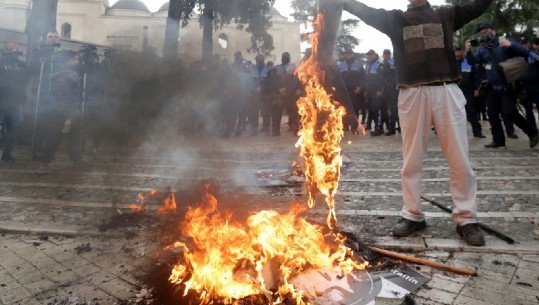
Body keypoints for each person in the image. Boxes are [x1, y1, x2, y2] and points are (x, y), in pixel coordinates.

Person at [342, 0, 495, 246]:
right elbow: (365, 12)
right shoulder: (395, 19)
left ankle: (466, 218)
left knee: (460, 160)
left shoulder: (447, 15)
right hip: (412, 93)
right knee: (411, 159)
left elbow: (478, 6)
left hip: (446, 90)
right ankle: (412, 215)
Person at [465, 23, 538, 149]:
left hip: (508, 85)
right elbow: (472, 62)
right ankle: (498, 140)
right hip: (491, 87)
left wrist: (512, 45)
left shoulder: (504, 41)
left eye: (487, 31)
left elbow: (524, 53)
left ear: (494, 31)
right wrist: (468, 51)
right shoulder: (482, 49)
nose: (484, 34)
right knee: (492, 114)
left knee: (509, 112)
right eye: (482, 32)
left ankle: (533, 133)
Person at [0, 42, 29, 161]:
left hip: (16, 100)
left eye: (14, 51)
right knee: (1, 126)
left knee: (15, 126)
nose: (12, 54)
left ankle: (7, 153)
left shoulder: (21, 64)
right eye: (9, 51)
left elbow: (27, 76)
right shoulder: (1, 64)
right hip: (2, 99)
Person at [454, 46, 485, 138]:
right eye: (457, 50)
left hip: (468, 90)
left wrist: (476, 89)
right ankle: (457, 133)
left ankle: (477, 132)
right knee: (455, 113)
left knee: (471, 111)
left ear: (463, 52)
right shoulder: (450, 64)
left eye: (460, 50)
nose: (459, 52)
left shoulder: (468, 62)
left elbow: (476, 76)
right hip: (454, 91)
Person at [338, 47, 366, 132]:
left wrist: (360, 87)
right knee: (344, 108)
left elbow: (363, 78)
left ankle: (354, 127)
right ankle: (345, 126)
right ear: (345, 54)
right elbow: (338, 78)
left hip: (355, 90)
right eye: (346, 53)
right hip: (344, 91)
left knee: (355, 109)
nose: (348, 55)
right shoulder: (341, 65)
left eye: (349, 53)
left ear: (352, 54)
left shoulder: (359, 64)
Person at [364, 49, 384, 136]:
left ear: (375, 55)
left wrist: (379, 90)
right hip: (369, 90)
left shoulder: (379, 65)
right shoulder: (367, 65)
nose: (369, 56)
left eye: (371, 54)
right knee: (371, 109)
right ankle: (373, 127)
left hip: (376, 91)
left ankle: (378, 128)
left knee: (376, 109)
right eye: (368, 55)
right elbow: (366, 79)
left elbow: (381, 79)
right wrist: (365, 90)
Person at [381, 49, 399, 135]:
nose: (386, 55)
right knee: (389, 109)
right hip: (388, 89)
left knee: (393, 109)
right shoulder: (384, 64)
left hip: (393, 89)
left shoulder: (391, 63)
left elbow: (393, 76)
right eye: (385, 54)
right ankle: (396, 127)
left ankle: (392, 129)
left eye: (388, 54)